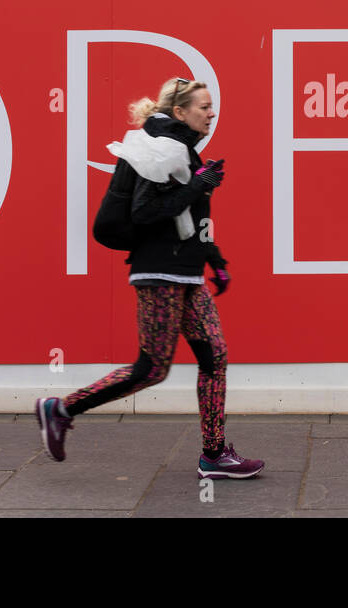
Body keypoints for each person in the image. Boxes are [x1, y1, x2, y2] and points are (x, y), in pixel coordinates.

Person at [36, 77, 264, 479]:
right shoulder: (156, 148)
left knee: (215, 356)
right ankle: (62, 409)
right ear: (180, 112)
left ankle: (213, 455)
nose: (212, 113)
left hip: (187, 271)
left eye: (212, 106)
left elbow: (190, 220)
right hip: (158, 271)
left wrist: (215, 259)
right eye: (204, 107)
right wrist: (198, 185)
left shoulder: (186, 151)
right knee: (152, 368)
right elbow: (144, 213)